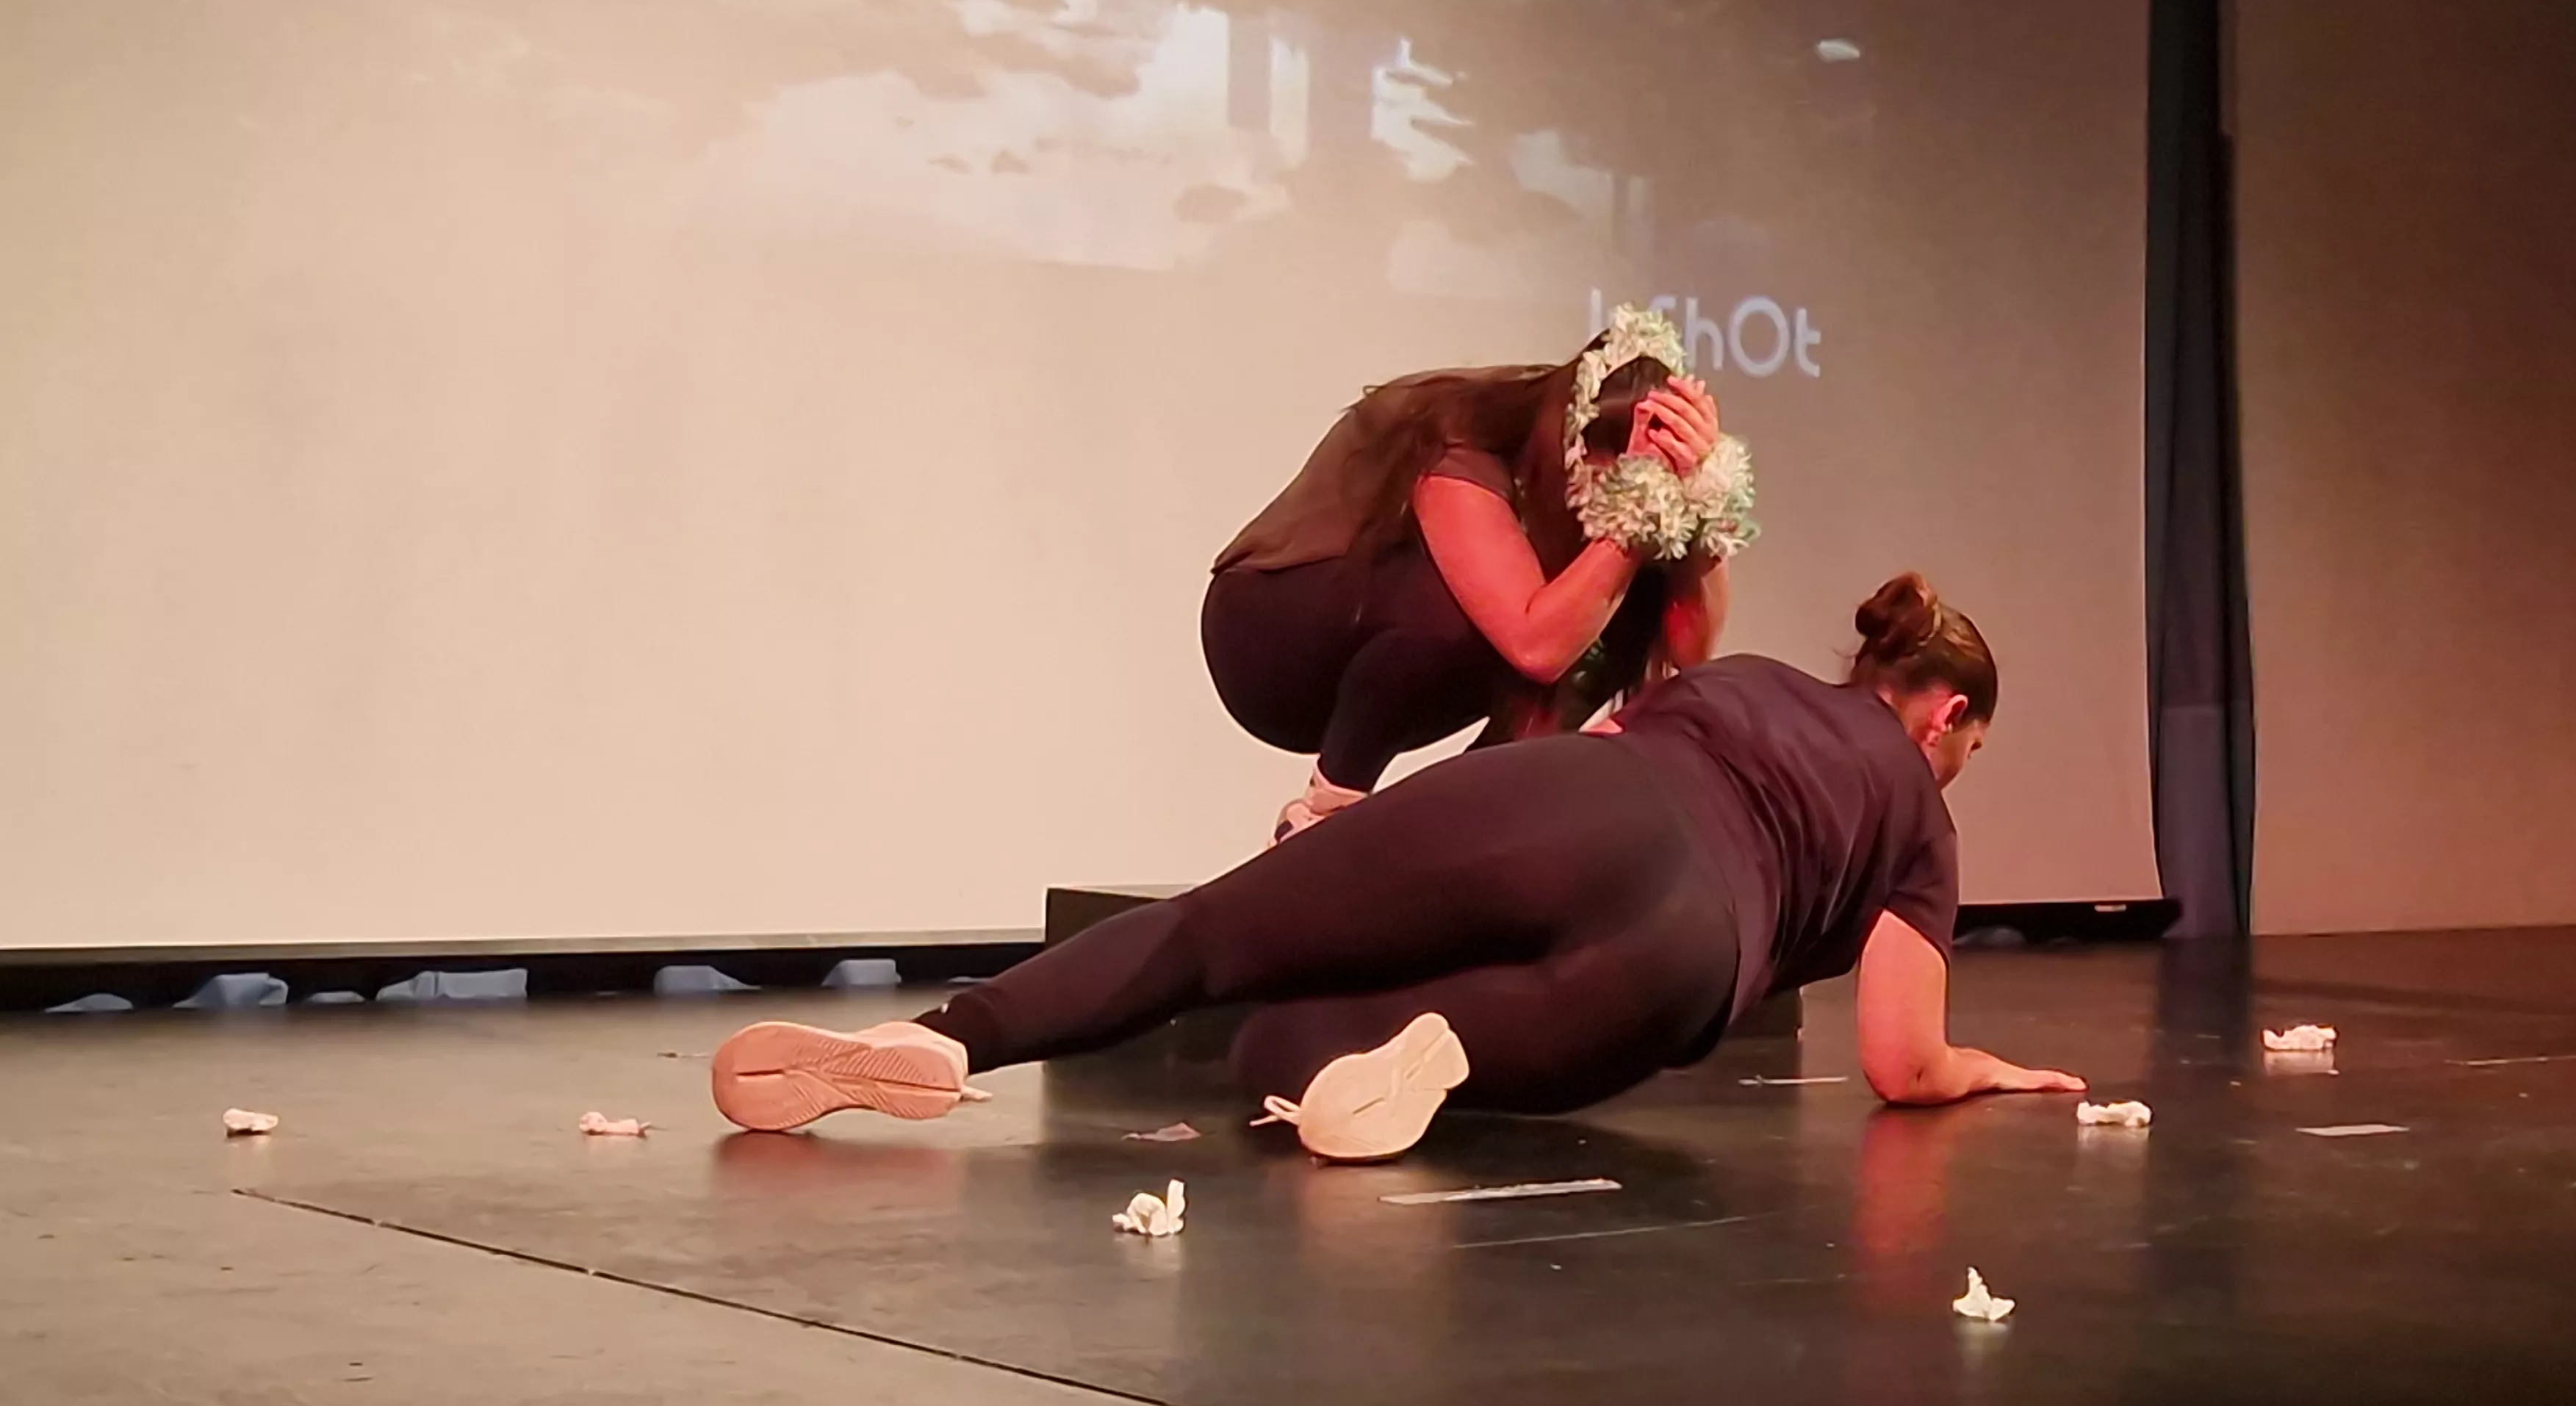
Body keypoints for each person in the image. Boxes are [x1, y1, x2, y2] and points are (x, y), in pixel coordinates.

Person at [711, 573, 2087, 1157]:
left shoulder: (1748, 678)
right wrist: (1982, 1068)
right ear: (1946, 717)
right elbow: (1903, 1060)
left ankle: (943, 1039)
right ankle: (1432, 1054)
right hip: (1689, 952)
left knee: (1216, 938)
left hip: (1579, 801)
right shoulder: (1921, 824)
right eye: (1972, 745)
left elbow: (1597, 726)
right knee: (1359, 1052)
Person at [1202, 306, 1755, 841]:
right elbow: (1537, 645)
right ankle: (1322, 817)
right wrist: (1637, 503)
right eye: (1612, 471)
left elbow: (1691, 651)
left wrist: (1699, 498)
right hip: (1271, 638)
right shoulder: (1465, 437)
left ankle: (1460, 830)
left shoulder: (1637, 495)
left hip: (1373, 669)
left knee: (1618, 608)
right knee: (1474, 611)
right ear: (1572, 440)